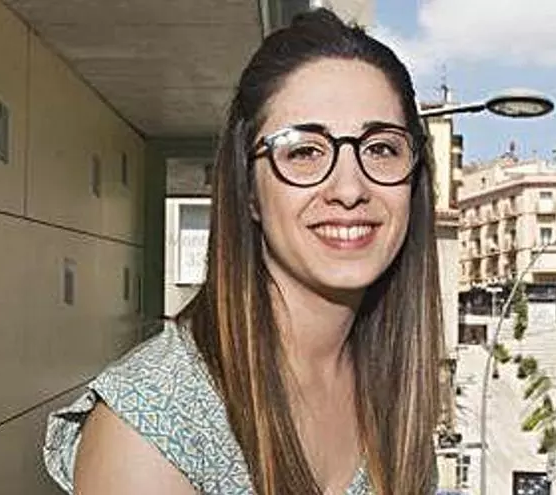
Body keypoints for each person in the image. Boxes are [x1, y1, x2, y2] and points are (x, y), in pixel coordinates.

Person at [43, 8, 443, 495]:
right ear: (249, 191)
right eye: (304, 151)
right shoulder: (154, 427)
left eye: (381, 148)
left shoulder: (392, 386)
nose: (349, 188)